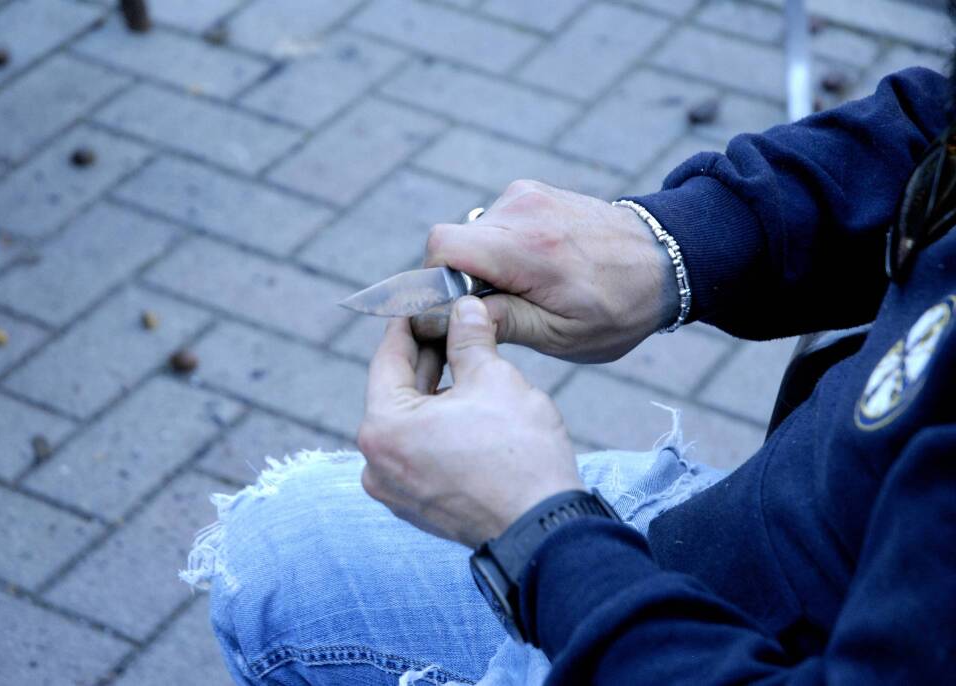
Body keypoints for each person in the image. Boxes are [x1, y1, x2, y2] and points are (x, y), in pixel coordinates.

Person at [181, 60, 956, 685]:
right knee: (281, 545)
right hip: (782, 522)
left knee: (274, 588)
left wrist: (539, 536)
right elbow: (940, 126)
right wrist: (674, 244)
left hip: (726, 644)